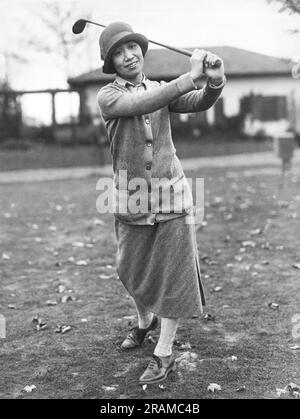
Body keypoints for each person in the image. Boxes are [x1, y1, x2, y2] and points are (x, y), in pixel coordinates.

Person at [97, 22, 226, 385]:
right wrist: (189, 76)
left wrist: (214, 81)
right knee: (130, 268)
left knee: (175, 273)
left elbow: (198, 101)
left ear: (142, 49)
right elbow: (142, 102)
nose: (128, 56)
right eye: (118, 53)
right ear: (111, 62)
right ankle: (144, 321)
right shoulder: (108, 96)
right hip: (130, 196)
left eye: (132, 48)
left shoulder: (160, 89)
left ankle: (164, 352)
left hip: (174, 194)